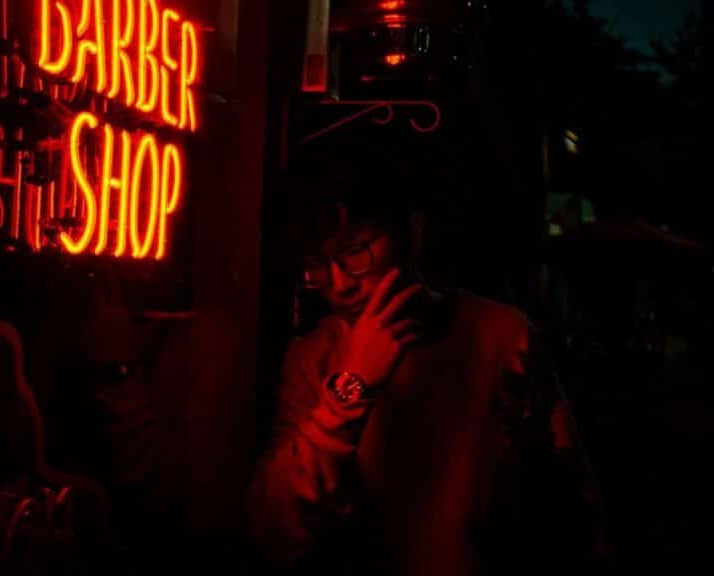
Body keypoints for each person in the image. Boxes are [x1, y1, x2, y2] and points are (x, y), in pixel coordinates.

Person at [247, 157, 604, 575]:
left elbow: (576, 503)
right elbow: (273, 531)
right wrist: (353, 383)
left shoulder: (502, 334)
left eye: (355, 253)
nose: (340, 282)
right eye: (317, 265)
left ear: (412, 233)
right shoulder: (314, 356)